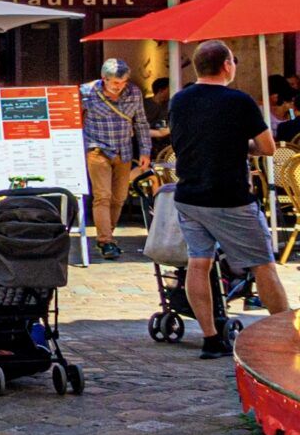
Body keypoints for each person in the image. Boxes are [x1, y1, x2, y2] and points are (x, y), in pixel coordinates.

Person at [172, 38, 292, 358]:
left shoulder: (179, 100)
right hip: (229, 197)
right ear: (227, 66)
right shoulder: (239, 101)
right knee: (262, 264)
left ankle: (211, 339)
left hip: (188, 195)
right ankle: (287, 335)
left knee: (199, 263)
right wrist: (245, 147)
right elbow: (267, 148)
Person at [79, 57, 154, 261]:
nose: (119, 87)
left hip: (124, 150)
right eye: (115, 83)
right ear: (104, 79)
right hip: (97, 148)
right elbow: (76, 119)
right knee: (102, 195)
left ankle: (108, 234)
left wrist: (145, 151)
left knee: (119, 197)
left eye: (122, 83)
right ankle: (106, 241)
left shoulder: (134, 92)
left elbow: (141, 123)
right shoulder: (87, 92)